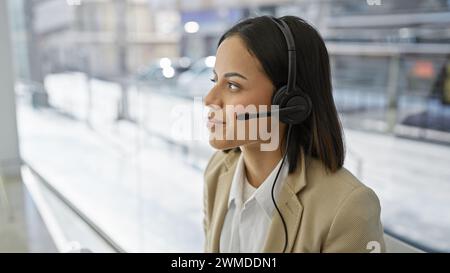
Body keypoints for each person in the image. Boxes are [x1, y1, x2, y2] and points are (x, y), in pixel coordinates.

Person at [203, 15, 385, 253]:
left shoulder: (348, 208)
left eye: (233, 85)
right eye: (214, 80)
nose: (209, 100)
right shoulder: (219, 170)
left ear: (289, 103)